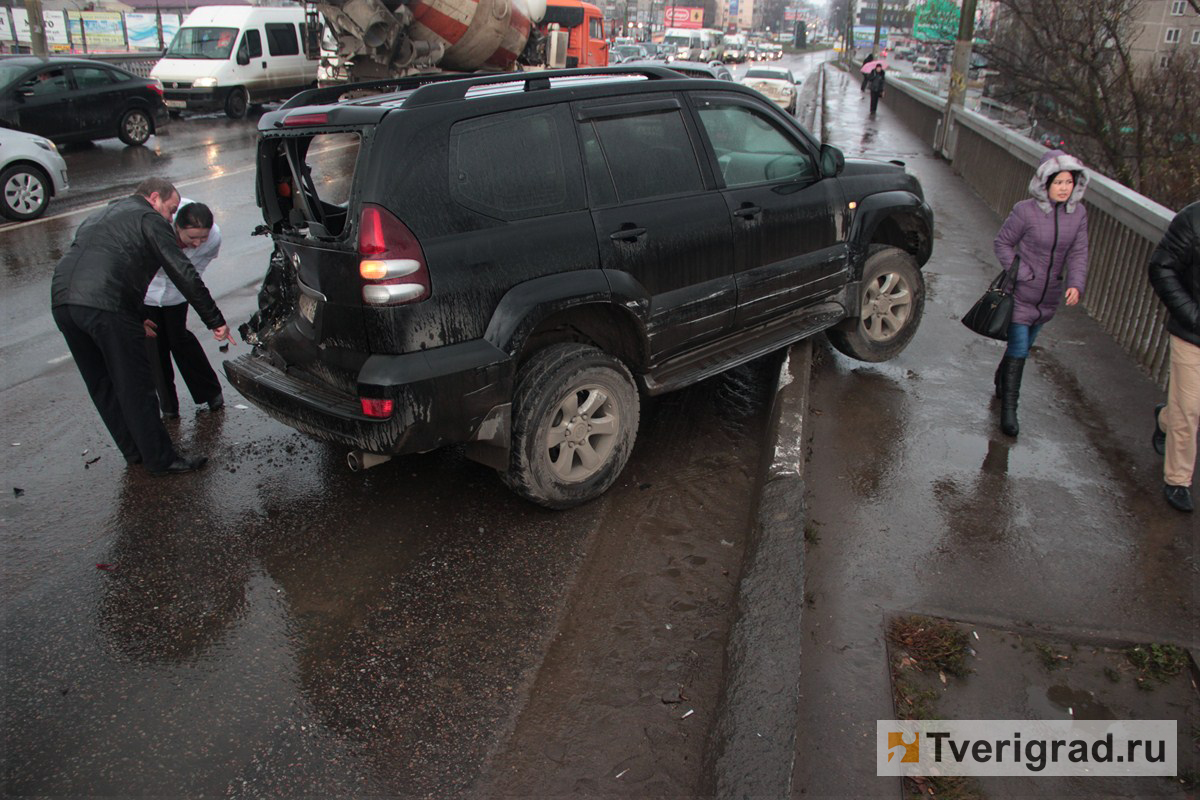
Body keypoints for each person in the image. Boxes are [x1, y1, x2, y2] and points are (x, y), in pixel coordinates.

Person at [50, 178, 235, 476]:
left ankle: (134, 452)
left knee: (102, 385)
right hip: (106, 306)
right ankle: (162, 460)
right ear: (154, 199)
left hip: (63, 302)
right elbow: (182, 271)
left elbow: (109, 264)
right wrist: (215, 319)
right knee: (136, 385)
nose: (172, 217)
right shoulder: (151, 218)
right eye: (172, 209)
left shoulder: (103, 214)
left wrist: (135, 315)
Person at [991, 149, 1090, 437]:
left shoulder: (1079, 214)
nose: (1063, 188)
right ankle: (1009, 412)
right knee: (1020, 348)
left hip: (1049, 296)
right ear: (1045, 182)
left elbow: (1080, 251)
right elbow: (1003, 244)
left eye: (1068, 183)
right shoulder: (1026, 211)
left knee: (1022, 347)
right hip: (1021, 292)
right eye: (1058, 182)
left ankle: (1002, 376)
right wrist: (1022, 274)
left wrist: (1076, 284)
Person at [143, 200, 225, 418]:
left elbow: (194, 273)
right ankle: (168, 406)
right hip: (146, 291)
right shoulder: (154, 230)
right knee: (155, 345)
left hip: (178, 291)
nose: (198, 243)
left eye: (202, 238)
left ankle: (210, 392)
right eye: (192, 238)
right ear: (176, 227)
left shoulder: (213, 239)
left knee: (178, 338)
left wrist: (212, 318)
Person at [1148, 201, 1200, 513]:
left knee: (1184, 408)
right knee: (1189, 409)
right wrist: (1193, 317)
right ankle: (1179, 479)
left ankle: (1164, 418)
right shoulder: (1193, 219)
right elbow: (1161, 266)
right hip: (1193, 335)